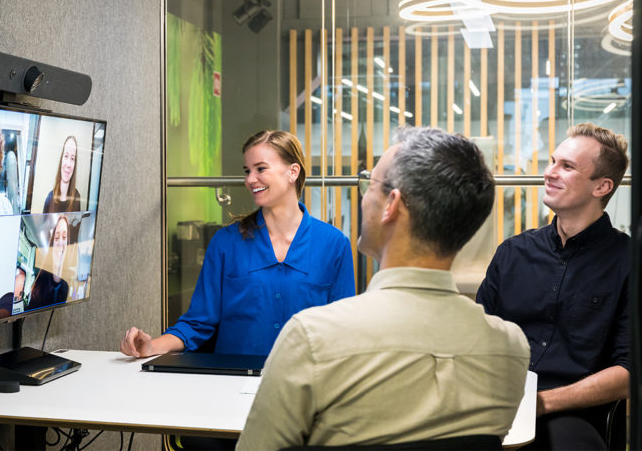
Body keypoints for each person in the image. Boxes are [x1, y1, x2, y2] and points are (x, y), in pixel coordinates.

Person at [237, 127, 530, 450]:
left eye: (369, 185)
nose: (364, 197)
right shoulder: (510, 350)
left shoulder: (312, 339)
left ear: (392, 204)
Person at [121, 130, 355, 358]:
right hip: (233, 384)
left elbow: (342, 331)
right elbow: (198, 323)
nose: (250, 179)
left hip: (305, 387)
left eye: (261, 169)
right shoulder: (225, 244)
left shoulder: (334, 245)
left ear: (293, 172)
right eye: (247, 171)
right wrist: (151, 347)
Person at [476, 123, 630, 450]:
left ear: (602, 186)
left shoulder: (628, 262)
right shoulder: (512, 253)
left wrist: (541, 402)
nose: (550, 173)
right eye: (552, 161)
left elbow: (628, 373)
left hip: (575, 414)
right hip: (499, 405)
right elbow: (478, 340)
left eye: (567, 166)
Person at [25, 214, 72, 310]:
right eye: (56, 237)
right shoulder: (39, 284)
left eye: (64, 237)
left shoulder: (67, 286)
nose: (60, 243)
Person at [43, 136, 81, 213]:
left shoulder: (76, 197)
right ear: (61, 160)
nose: (68, 164)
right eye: (66, 156)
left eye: (72, 158)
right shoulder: (49, 199)